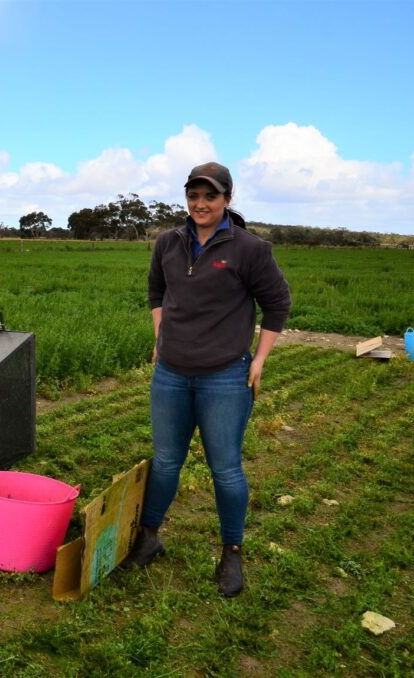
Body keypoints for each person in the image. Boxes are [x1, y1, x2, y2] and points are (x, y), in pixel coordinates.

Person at [120, 162, 291, 597]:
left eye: (210, 196)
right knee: (165, 462)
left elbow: (277, 304)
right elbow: (156, 292)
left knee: (226, 470)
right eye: (194, 196)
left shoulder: (251, 249)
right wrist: (160, 334)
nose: (200, 204)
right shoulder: (168, 243)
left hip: (225, 377)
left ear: (227, 200)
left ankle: (231, 554)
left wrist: (260, 360)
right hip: (171, 375)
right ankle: (150, 537)